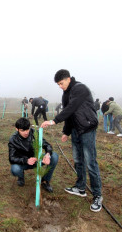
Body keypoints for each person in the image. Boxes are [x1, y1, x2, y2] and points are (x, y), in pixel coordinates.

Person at [41, 69, 103, 212]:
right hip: (75, 130)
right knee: (78, 160)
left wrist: (54, 121)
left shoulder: (80, 88)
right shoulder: (66, 94)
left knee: (90, 161)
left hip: (87, 129)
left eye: (61, 83)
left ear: (68, 79)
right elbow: (69, 115)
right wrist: (66, 132)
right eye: (58, 84)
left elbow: (72, 107)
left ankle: (97, 195)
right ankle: (80, 187)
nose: (60, 86)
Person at [9, 118, 58, 192]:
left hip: (37, 160)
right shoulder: (13, 139)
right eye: (23, 130)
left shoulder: (34, 133)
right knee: (15, 169)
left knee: (54, 156)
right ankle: (21, 177)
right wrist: (26, 160)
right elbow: (11, 158)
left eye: (27, 129)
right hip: (24, 162)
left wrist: (47, 155)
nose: (26, 132)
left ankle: (45, 181)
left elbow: (47, 145)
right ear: (17, 129)